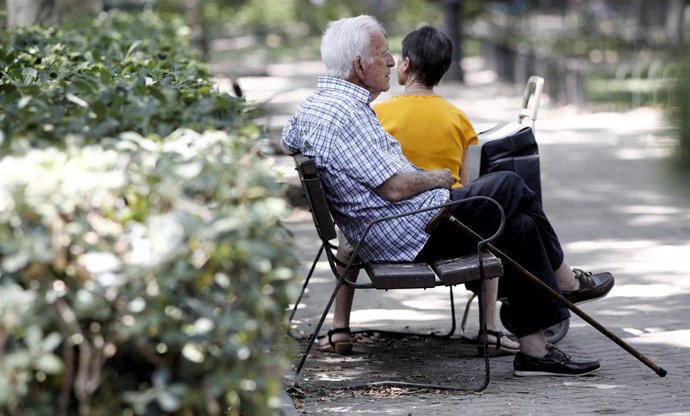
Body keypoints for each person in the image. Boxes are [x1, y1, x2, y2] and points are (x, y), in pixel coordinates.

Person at [282, 15, 613, 377]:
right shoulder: (347, 116)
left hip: (398, 226)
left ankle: (534, 351)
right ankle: (565, 281)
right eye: (383, 53)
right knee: (511, 184)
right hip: (408, 233)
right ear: (360, 66)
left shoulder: (315, 106)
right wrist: (437, 178)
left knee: (518, 226)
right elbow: (392, 188)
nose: (392, 61)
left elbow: (288, 140)